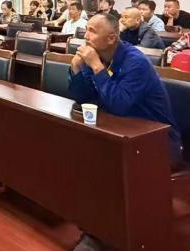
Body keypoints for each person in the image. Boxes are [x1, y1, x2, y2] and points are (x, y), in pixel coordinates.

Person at [68, 13, 181, 159]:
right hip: (117, 131)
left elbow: (119, 106)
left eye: (92, 31)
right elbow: (83, 98)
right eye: (86, 29)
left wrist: (97, 67)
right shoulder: (96, 56)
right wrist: (76, 68)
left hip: (156, 141)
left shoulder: (136, 62)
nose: (86, 36)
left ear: (111, 38)